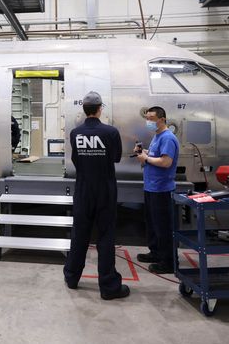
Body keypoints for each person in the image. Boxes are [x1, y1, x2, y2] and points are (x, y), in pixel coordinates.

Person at [63, 91, 129, 300]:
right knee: (106, 236)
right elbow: (116, 158)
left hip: (83, 189)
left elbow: (76, 160)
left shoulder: (75, 133)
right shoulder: (110, 132)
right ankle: (109, 287)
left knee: (79, 233)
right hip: (105, 189)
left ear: (84, 110)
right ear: (100, 108)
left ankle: (72, 277)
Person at [136, 106, 180, 274]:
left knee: (163, 227)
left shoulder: (168, 138)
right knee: (153, 224)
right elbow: (156, 156)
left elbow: (166, 162)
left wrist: (146, 158)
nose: (149, 121)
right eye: (147, 118)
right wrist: (144, 152)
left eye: (152, 118)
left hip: (161, 189)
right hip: (151, 187)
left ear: (162, 119)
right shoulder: (157, 136)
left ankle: (169, 262)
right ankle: (155, 253)